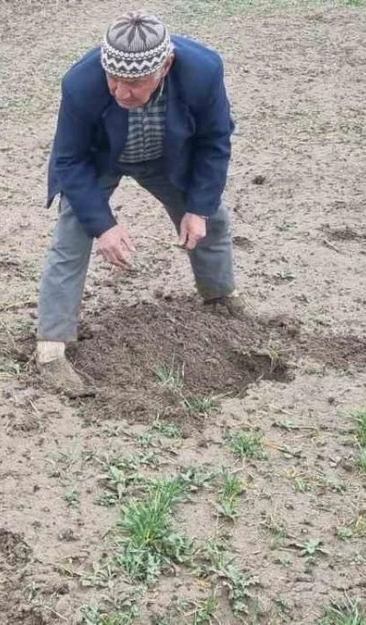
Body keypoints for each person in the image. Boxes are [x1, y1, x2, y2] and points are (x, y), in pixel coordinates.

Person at [36, 11, 242, 396]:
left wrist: (196, 209)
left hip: (167, 157)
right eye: (113, 79)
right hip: (101, 159)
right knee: (71, 235)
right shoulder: (81, 82)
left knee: (212, 220)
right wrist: (104, 226)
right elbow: (69, 159)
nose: (120, 92)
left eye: (134, 83)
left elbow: (215, 141)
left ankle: (221, 302)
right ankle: (51, 346)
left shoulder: (203, 70)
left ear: (165, 66)